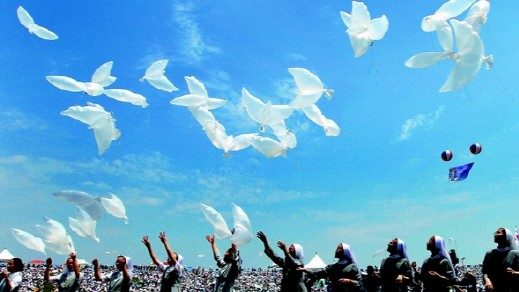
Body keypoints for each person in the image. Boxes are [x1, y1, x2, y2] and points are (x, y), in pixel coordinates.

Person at [299, 243, 364, 292]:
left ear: (345, 251)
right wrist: (305, 270)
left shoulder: (352, 266)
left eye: (339, 248)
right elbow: (316, 274)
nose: (336, 249)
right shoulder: (331, 267)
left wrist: (349, 281)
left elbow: (359, 283)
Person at [482, 227, 519, 292]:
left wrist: (514, 272)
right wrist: (487, 280)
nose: (495, 234)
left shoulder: (515, 254)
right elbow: (485, 271)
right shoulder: (489, 254)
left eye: (498, 232)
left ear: (506, 237)